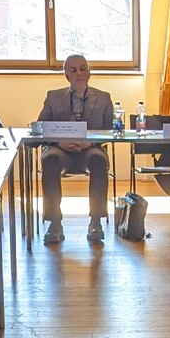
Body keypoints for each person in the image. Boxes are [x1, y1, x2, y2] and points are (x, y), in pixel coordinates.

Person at [35, 54, 113, 245]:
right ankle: (55, 223)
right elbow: (40, 126)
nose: (79, 73)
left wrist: (91, 142)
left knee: (99, 160)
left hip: (90, 149)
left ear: (89, 72)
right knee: (50, 160)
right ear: (66, 75)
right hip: (60, 149)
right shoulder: (53, 97)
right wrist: (58, 142)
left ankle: (96, 222)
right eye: (73, 70)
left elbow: (111, 130)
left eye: (82, 68)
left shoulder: (104, 98)